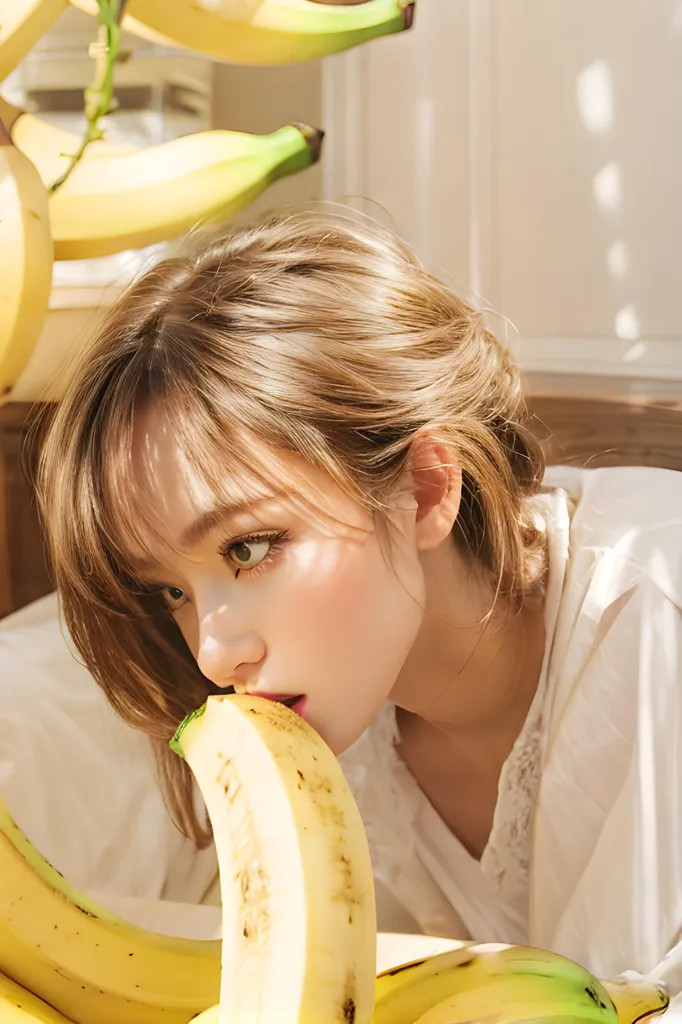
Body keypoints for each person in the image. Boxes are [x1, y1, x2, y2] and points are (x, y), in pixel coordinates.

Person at [37, 208, 682, 1005]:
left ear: (426, 487)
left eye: (249, 548)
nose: (212, 655)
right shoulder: (337, 747)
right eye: (171, 590)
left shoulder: (658, 614)